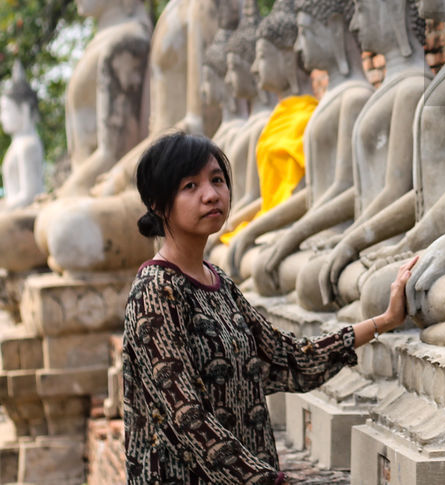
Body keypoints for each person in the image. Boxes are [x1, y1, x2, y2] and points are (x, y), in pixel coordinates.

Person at [122, 131, 416, 485]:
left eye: (217, 180)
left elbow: (289, 357)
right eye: (190, 186)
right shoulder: (156, 292)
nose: (211, 195)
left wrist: (384, 321)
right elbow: (186, 418)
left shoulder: (218, 283)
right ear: (157, 202)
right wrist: (273, 482)